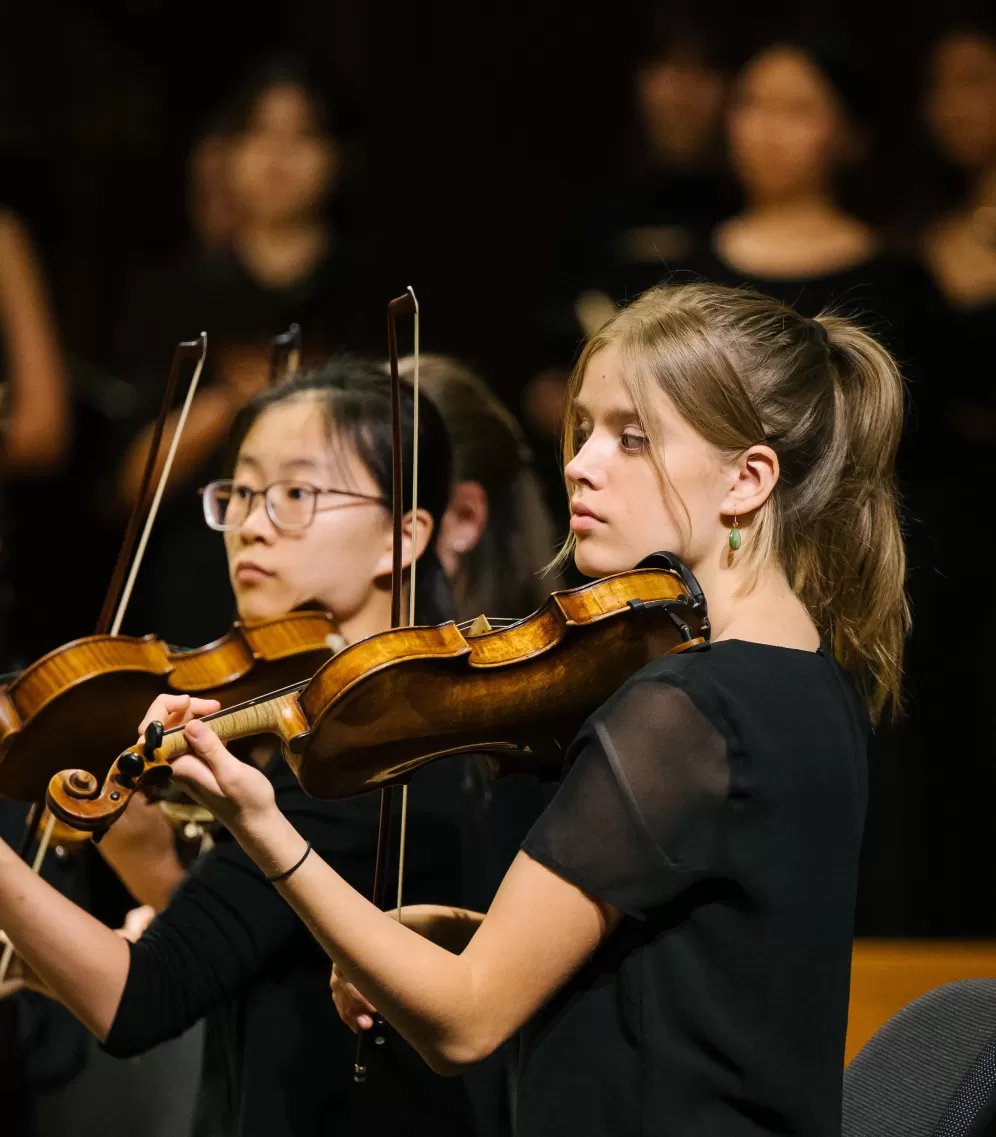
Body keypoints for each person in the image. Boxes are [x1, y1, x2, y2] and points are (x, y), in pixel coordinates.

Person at [113, 281, 905, 1135]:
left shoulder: (683, 709)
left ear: (747, 479)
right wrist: (472, 928)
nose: (579, 462)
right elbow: (697, 976)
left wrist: (262, 822)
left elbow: (466, 1020)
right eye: (584, 430)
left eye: (632, 439)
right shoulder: (812, 680)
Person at [0, 359, 478, 1137]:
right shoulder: (290, 726)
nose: (253, 523)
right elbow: (247, 952)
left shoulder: (374, 751)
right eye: (242, 493)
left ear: (403, 535)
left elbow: (140, 999)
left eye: (295, 494)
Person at [114, 56, 381, 648]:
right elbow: (132, 479)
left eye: (304, 135)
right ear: (225, 153)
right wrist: (230, 398)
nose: (278, 156)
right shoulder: (173, 295)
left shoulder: (371, 297)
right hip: (193, 583)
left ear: (340, 157)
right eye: (256, 133)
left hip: (333, 594)